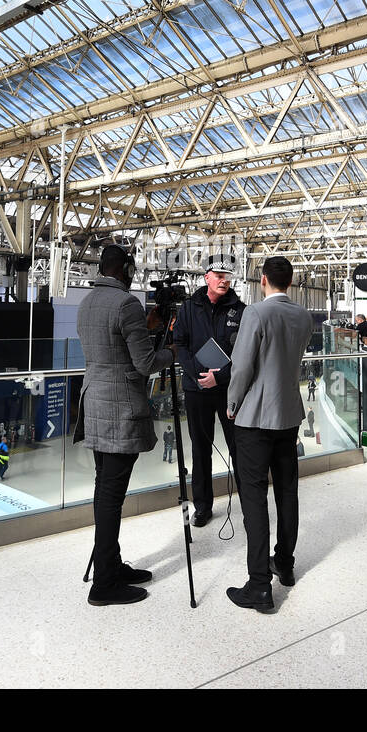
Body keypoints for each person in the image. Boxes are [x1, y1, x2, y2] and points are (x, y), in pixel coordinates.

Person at [75, 244, 174, 606]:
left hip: (95, 403)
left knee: (106, 489)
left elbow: (112, 346)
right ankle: (104, 584)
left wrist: (144, 329)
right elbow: (146, 363)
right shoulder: (127, 303)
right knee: (110, 496)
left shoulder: (88, 302)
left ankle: (112, 566)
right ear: (126, 267)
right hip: (120, 410)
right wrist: (174, 351)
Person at [224, 256, 313, 613]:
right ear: (288, 282)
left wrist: (231, 403)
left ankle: (259, 584)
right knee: (287, 491)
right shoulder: (303, 316)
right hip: (288, 414)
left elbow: (243, 365)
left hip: (256, 418)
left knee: (254, 497)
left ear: (263, 280)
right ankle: (285, 565)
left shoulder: (256, 313)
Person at [172, 253, 245, 528]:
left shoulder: (240, 310)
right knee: (200, 450)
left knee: (239, 447)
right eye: (219, 276)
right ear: (207, 278)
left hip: (229, 389)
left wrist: (221, 377)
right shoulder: (189, 308)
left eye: (228, 276)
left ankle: (249, 502)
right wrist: (198, 374)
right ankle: (202, 507)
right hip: (196, 389)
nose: (224, 281)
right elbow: (179, 343)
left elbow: (245, 353)